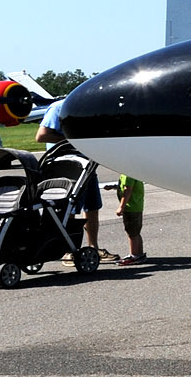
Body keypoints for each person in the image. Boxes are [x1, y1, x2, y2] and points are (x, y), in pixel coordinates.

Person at [35, 98, 111, 262]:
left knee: (92, 206)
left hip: (87, 166)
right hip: (67, 167)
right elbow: (42, 136)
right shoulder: (58, 107)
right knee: (69, 209)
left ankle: (93, 249)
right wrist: (74, 139)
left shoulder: (88, 107)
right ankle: (67, 250)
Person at [115, 172, 146, 265]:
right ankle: (139, 253)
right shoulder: (134, 172)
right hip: (137, 206)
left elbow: (128, 189)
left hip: (130, 207)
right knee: (136, 231)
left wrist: (121, 206)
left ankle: (134, 255)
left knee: (131, 232)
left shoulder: (127, 173)